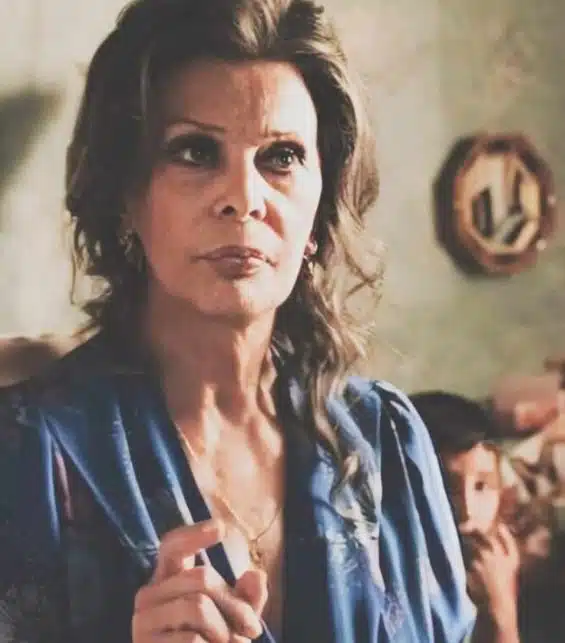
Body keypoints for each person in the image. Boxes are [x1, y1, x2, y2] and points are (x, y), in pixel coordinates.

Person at [0, 1, 475, 641]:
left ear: (322, 207)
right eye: (195, 152)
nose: (244, 198)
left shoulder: (386, 442)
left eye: (281, 157)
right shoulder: (35, 451)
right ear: (127, 197)